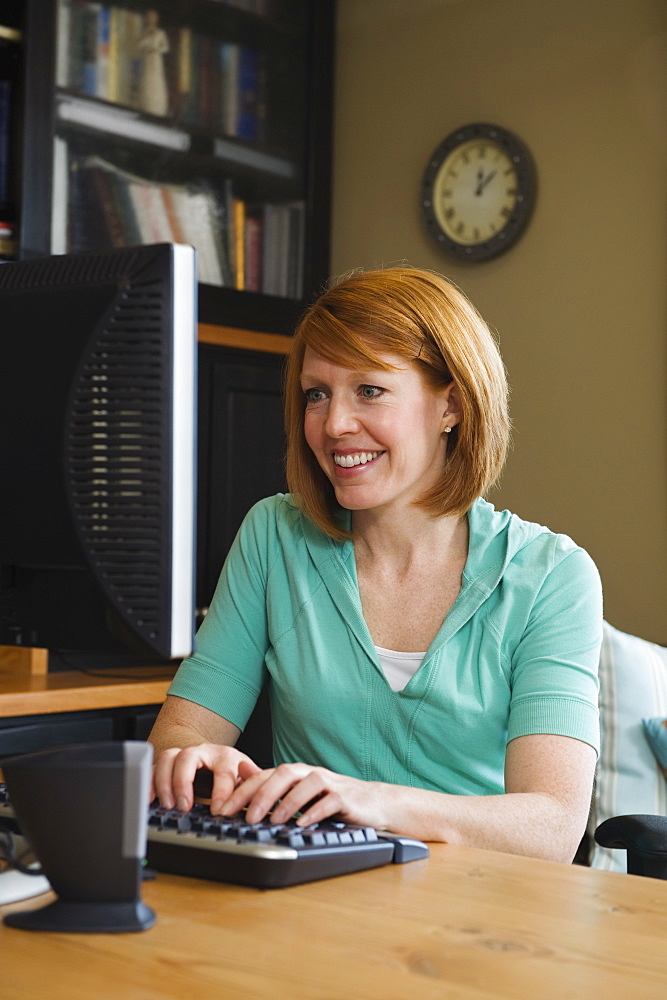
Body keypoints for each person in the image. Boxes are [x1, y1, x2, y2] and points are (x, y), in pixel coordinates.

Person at [149, 266, 602, 863]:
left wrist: (372, 803)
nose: (334, 424)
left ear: (453, 405)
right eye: (317, 394)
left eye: (369, 390)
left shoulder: (552, 575)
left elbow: (550, 827)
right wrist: (196, 758)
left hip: (484, 917)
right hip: (314, 903)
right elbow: (179, 736)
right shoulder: (273, 536)